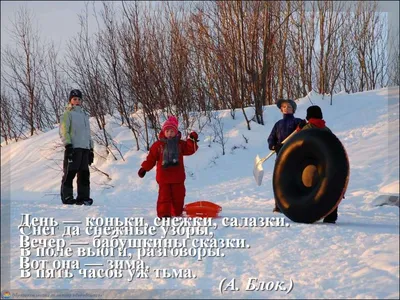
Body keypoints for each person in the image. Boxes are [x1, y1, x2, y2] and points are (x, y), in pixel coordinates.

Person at [138, 116, 199, 218]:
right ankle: (164, 214)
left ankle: (177, 212)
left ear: (176, 132)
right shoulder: (158, 145)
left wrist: (192, 140)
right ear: (163, 132)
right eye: (167, 131)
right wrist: (144, 168)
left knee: (178, 196)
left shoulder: (180, 144)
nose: (169, 133)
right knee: (164, 197)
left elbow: (190, 150)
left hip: (178, 177)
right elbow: (151, 158)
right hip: (164, 178)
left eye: (172, 131)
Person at [297, 105, 339, 223]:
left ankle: (308, 214)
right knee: (327, 189)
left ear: (308, 116)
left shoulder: (308, 127)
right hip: (327, 164)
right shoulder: (327, 129)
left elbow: (297, 142)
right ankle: (331, 214)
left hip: (310, 164)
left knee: (310, 190)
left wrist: (299, 130)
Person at [59, 89, 94, 206]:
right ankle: (67, 196)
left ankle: (83, 197)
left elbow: (88, 133)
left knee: (84, 174)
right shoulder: (67, 114)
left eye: (79, 99)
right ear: (70, 100)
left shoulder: (84, 115)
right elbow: (64, 131)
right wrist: (68, 145)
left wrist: (91, 149)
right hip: (73, 148)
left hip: (84, 148)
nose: (77, 101)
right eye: (74, 99)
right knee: (70, 173)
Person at [268, 99, 302, 212]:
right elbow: (271, 138)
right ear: (281, 109)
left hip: (295, 156)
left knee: (294, 180)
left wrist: (304, 125)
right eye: (284, 107)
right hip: (280, 157)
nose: (286, 109)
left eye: (289, 107)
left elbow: (305, 133)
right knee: (279, 181)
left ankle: (295, 204)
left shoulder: (298, 122)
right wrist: (274, 146)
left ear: (293, 110)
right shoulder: (278, 124)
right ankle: (279, 205)